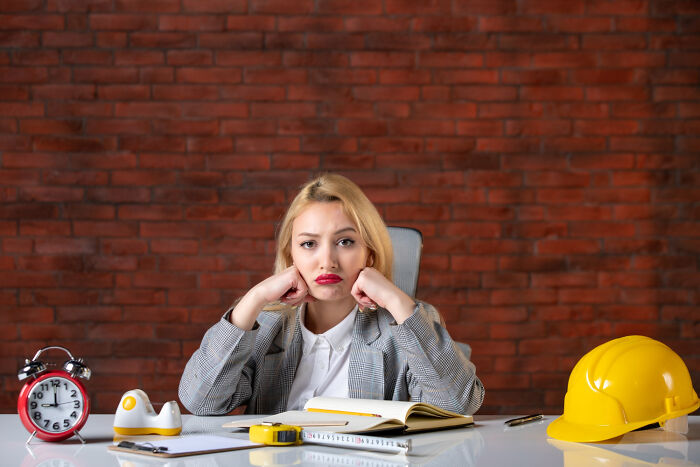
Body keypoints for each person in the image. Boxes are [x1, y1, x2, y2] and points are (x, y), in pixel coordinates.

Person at [179, 173, 484, 416]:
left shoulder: (404, 325)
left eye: (346, 242)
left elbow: (455, 405)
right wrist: (254, 298)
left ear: (370, 252)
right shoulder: (263, 326)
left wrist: (395, 299)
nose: (327, 260)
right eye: (309, 244)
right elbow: (201, 401)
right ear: (291, 256)